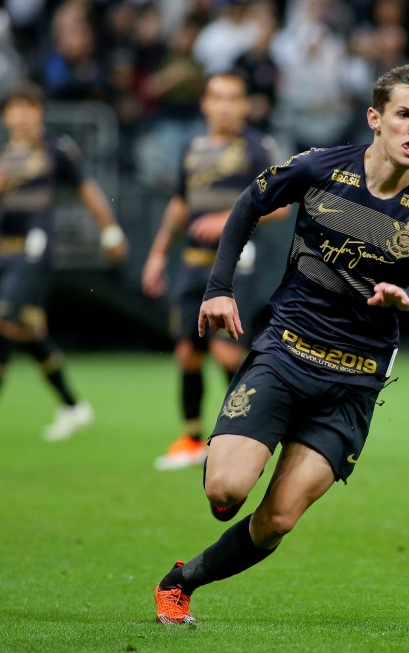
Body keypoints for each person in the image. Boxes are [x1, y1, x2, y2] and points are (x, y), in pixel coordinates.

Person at [154, 61, 409, 624]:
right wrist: (218, 288)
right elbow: (249, 202)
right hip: (286, 353)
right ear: (375, 118)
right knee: (224, 495)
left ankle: (181, 582)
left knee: (277, 520)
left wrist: (408, 306)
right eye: (404, 115)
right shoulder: (321, 168)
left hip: (352, 383)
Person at [0, 79, 128, 442]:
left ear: (39, 112)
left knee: (2, 317)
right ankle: (73, 405)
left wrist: (110, 232)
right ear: (5, 116)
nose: (21, 117)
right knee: (27, 329)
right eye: (14, 110)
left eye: (27, 109)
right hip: (8, 247)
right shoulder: (0, 153)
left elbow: (86, 189)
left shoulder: (55, 149)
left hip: (36, 246)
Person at [142, 71, 287, 471]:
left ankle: (245, 434)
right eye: (217, 98)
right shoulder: (192, 147)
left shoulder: (256, 148)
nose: (224, 106)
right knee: (188, 351)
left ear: (244, 105)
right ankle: (191, 439)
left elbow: (281, 205)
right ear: (205, 104)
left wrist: (228, 217)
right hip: (192, 263)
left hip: (239, 260)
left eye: (233, 98)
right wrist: (157, 255)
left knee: (225, 348)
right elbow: (180, 204)